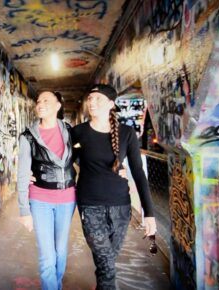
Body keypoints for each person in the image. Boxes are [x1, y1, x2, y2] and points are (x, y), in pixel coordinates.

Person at [71, 84, 157, 290]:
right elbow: (65, 163)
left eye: (98, 99)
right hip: (90, 206)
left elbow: (138, 172)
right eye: (90, 99)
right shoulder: (78, 132)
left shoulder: (126, 133)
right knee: (107, 264)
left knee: (106, 261)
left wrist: (149, 213)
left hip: (121, 207)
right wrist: (36, 174)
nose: (92, 103)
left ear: (111, 104)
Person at [17, 91, 76, 290]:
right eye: (38, 101)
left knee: (60, 251)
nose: (40, 104)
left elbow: (84, 158)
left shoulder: (69, 130)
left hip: (67, 200)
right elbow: (23, 174)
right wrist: (24, 211)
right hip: (40, 199)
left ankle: (56, 285)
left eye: (46, 101)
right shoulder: (28, 137)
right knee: (47, 256)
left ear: (58, 106)